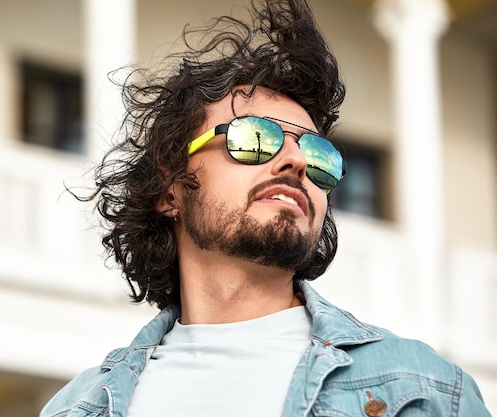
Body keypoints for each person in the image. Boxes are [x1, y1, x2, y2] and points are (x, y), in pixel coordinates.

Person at [40, 0, 492, 416]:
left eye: (319, 157)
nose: (296, 161)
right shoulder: (76, 408)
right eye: (254, 138)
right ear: (169, 190)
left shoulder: (426, 392)